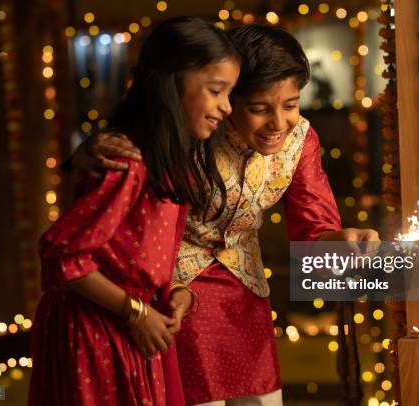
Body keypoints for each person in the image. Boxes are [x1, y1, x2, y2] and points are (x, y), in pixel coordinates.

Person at [73, 24, 379, 406]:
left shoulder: (301, 140)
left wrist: (345, 242)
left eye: (291, 104)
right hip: (176, 293)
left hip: (245, 287)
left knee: (264, 399)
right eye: (259, 109)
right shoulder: (192, 130)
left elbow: (312, 230)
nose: (279, 124)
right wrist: (86, 153)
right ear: (229, 96)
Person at [28, 17, 239, 406]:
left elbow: (143, 254)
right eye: (215, 91)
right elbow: (63, 255)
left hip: (133, 326)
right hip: (100, 331)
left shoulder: (174, 164)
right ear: (171, 84)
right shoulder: (129, 161)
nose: (226, 107)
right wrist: (136, 313)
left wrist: (175, 292)